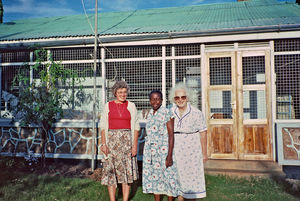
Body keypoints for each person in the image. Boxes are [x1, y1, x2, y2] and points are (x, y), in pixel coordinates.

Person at [99, 80, 140, 201]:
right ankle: (113, 199)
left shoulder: (131, 106)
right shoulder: (108, 105)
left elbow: (136, 127)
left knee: (126, 173)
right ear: (115, 93)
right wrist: (104, 144)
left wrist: (134, 146)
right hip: (111, 142)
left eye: (125, 92)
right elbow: (103, 126)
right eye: (120, 92)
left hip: (126, 143)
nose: (123, 94)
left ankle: (125, 199)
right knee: (111, 172)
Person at [168, 83, 208, 201]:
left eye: (183, 97)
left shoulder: (196, 113)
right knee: (179, 179)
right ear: (173, 99)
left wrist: (204, 153)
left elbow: (203, 133)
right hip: (176, 150)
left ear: (188, 98)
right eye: (177, 98)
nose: (180, 100)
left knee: (191, 181)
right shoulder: (170, 112)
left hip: (192, 151)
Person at [142, 90, 180, 201]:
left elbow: (171, 135)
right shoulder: (149, 113)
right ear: (150, 101)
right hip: (151, 152)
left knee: (168, 176)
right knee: (155, 176)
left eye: (158, 99)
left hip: (163, 150)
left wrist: (169, 156)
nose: (155, 101)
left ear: (162, 100)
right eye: (153, 99)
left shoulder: (167, 112)